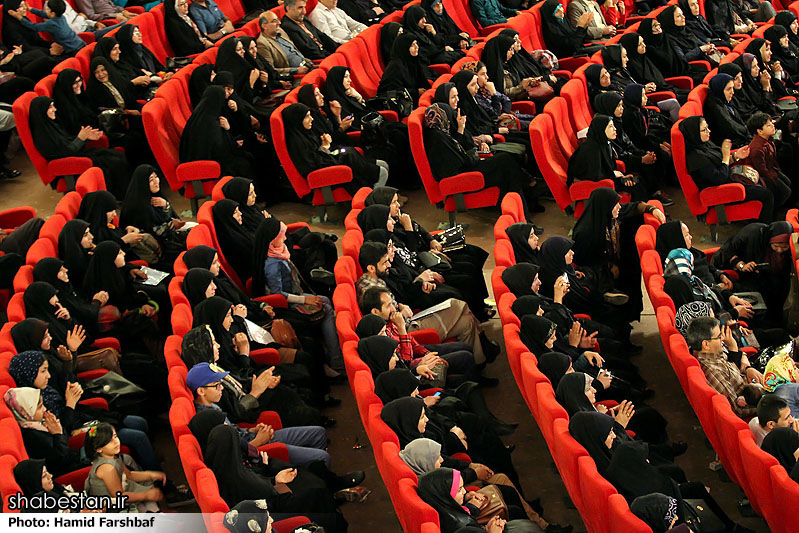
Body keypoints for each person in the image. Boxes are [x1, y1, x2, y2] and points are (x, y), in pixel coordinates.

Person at [189, 414, 350, 531]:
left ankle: (335, 494)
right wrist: (276, 481)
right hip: (271, 505)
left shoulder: (220, 457)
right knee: (315, 490)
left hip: (269, 490)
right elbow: (262, 490)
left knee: (314, 471)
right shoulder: (232, 472)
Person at [357, 242, 494, 365]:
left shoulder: (377, 280)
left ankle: (478, 364)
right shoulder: (368, 289)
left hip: (407, 318)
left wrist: (400, 305)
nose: (389, 265)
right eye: (384, 263)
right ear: (371, 268)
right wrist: (400, 312)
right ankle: (484, 347)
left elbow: (391, 302)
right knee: (459, 304)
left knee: (467, 322)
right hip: (405, 327)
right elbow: (383, 322)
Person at [188, 364, 332, 466]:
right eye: (217, 385)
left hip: (254, 437)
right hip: (257, 450)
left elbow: (235, 431)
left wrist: (253, 430)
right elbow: (233, 454)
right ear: (201, 391)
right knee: (322, 457)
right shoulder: (208, 421)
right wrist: (259, 440)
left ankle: (314, 472)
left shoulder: (213, 405)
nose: (221, 389)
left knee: (318, 433)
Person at [252, 217, 343, 371]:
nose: (286, 238)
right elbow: (278, 294)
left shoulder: (279, 252)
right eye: (282, 236)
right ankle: (336, 357)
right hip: (287, 303)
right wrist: (305, 299)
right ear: (273, 239)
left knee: (326, 300)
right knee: (326, 309)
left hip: (295, 293)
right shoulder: (272, 265)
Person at [421, 103, 535, 216]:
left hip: (467, 168)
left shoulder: (437, 134)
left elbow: (459, 152)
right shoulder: (438, 139)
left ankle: (523, 209)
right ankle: (524, 210)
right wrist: (475, 157)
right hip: (465, 177)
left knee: (506, 162)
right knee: (506, 162)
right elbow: (456, 163)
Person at [572, 187, 662, 320]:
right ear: (606, 206)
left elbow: (633, 207)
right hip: (596, 271)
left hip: (613, 263)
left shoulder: (609, 214)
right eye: (616, 204)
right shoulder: (585, 233)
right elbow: (584, 261)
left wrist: (652, 209)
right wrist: (608, 268)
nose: (619, 207)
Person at [27, 95, 131, 199]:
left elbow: (67, 141)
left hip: (77, 153)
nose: (55, 109)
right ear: (41, 111)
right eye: (50, 107)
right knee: (114, 162)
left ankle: (126, 192)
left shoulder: (51, 125)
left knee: (117, 154)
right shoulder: (42, 135)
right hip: (70, 162)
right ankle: (119, 197)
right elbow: (61, 153)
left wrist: (87, 137)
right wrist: (80, 139)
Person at [678, 115, 774, 223]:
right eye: (704, 130)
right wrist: (726, 156)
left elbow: (720, 161)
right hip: (722, 191)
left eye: (707, 127)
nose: (709, 131)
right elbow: (719, 178)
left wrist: (736, 156)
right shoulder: (695, 158)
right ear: (694, 133)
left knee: (769, 183)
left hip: (729, 177)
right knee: (766, 194)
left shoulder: (704, 144)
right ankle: (765, 228)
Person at [282, 102, 388, 191]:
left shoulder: (306, 134)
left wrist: (325, 146)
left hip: (332, 160)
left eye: (310, 115)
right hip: (327, 174)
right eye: (306, 117)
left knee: (355, 155)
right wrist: (325, 147)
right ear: (297, 120)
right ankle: (374, 198)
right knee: (381, 172)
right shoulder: (297, 143)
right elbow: (312, 164)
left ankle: (384, 196)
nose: (311, 119)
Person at [418, 468, 546, 533]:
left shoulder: (446, 511)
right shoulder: (459, 526)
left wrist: (487, 527)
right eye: (459, 489)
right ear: (445, 496)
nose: (465, 492)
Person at [710, 221, 792, 320]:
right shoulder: (752, 235)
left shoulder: (785, 251)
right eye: (776, 246)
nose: (779, 250)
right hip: (730, 267)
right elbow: (728, 252)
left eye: (784, 247)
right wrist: (742, 265)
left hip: (758, 274)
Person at [687, 316, 762, 417]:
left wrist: (748, 369)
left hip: (753, 387)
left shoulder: (715, 354)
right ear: (706, 344)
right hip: (755, 403)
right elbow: (737, 411)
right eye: (719, 337)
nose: (723, 338)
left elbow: (735, 369)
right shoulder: (713, 371)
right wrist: (766, 410)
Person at [567, 113, 652, 202]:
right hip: (596, 184)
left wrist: (623, 176)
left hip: (606, 178)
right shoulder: (590, 149)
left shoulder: (604, 142)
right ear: (602, 129)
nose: (615, 129)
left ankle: (650, 208)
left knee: (637, 179)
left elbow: (607, 168)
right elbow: (594, 175)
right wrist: (615, 175)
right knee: (636, 186)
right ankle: (644, 212)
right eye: (611, 126)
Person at [4, 387, 86, 477]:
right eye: (39, 407)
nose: (44, 409)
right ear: (25, 413)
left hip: (76, 459)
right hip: (68, 472)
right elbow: (61, 462)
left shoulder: (38, 424)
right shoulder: (32, 435)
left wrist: (58, 428)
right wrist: (57, 433)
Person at [83, 423, 164, 511]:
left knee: (148, 485)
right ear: (98, 449)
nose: (116, 441)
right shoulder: (107, 468)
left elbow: (129, 474)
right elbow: (119, 496)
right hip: (112, 506)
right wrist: (146, 495)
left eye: (115, 436)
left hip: (122, 490)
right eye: (109, 441)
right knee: (145, 502)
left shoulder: (114, 456)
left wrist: (151, 475)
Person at [180, 86, 256, 178]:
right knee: (246, 162)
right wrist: (231, 138)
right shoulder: (211, 123)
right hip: (208, 167)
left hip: (203, 159)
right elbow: (221, 151)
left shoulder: (200, 114)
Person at [746, 112, 794, 208]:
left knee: (788, 182)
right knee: (786, 192)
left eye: (771, 123)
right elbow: (762, 170)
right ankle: (776, 210)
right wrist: (775, 177)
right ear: (760, 131)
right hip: (765, 176)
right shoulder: (757, 148)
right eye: (768, 125)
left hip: (772, 168)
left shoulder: (768, 139)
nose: (773, 126)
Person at [6, 0, 85, 55]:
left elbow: (33, 26)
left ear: (53, 13)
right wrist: (30, 9)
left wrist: (19, 18)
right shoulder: (61, 17)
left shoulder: (51, 24)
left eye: (47, 9)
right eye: (21, 6)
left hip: (72, 49)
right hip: (79, 43)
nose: (24, 8)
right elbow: (44, 14)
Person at [377, 33, 431, 106]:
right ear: (404, 48)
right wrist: (415, 92)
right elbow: (392, 91)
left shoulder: (412, 61)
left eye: (416, 44)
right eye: (412, 45)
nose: (416, 47)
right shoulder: (395, 67)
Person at [257, 11, 314, 78]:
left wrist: (307, 61)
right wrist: (296, 70)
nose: (279, 23)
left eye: (278, 19)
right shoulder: (262, 43)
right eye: (274, 21)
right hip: (294, 76)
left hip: (306, 66)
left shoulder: (280, 31)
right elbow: (271, 70)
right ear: (264, 26)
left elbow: (294, 51)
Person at [51, 69, 98, 137]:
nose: (79, 84)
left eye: (79, 80)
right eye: (74, 83)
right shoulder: (62, 107)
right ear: (67, 85)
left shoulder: (81, 96)